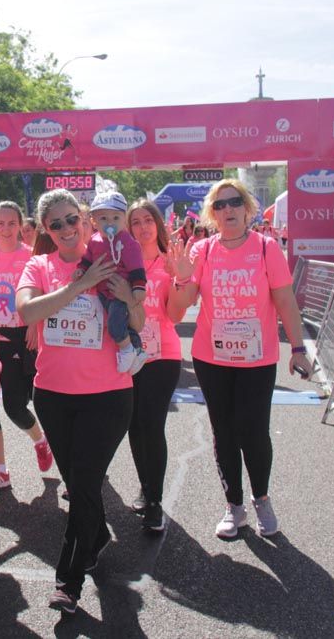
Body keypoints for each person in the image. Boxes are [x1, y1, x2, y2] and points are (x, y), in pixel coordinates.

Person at [16, 189, 144, 614]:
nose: (68, 229)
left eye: (73, 219)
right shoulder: (39, 265)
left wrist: (126, 295)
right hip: (53, 396)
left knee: (85, 482)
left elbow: (141, 319)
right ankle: (97, 537)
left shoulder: (111, 254)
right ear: (45, 231)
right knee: (80, 485)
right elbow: (28, 312)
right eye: (57, 224)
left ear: (86, 218)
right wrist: (82, 285)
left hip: (108, 396)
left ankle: (67, 582)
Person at [169, 179, 312, 539]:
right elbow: (180, 308)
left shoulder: (266, 249)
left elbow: (285, 302)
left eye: (234, 203)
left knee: (253, 431)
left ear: (247, 208)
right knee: (224, 432)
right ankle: (234, 506)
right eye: (220, 205)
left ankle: (261, 498)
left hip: (256, 360)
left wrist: (298, 349)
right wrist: (181, 279)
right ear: (212, 214)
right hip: (211, 359)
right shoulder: (201, 250)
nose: (228, 210)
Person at [0, 201, 54, 494]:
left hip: (30, 336)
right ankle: (17, 459)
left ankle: (51, 446)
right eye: (0, 223)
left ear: (21, 225)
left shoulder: (31, 255)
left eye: (11, 223)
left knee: (35, 403)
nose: (6, 229)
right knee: (4, 407)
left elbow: (43, 292)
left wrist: (34, 322)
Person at [125, 199, 189, 532]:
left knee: (152, 425)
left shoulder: (170, 262)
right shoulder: (122, 262)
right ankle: (145, 486)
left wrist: (179, 279)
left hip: (162, 356)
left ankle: (155, 501)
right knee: (134, 426)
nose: (142, 227)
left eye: (148, 220)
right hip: (127, 356)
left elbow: (176, 315)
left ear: (158, 224)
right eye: (135, 222)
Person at [79, 191, 148, 374]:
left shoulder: (127, 242)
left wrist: (138, 287)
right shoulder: (94, 241)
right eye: (103, 218)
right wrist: (81, 269)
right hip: (103, 292)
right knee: (119, 321)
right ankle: (138, 349)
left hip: (119, 292)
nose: (110, 223)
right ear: (94, 221)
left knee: (115, 326)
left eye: (115, 218)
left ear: (124, 220)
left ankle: (126, 350)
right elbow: (87, 259)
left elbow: (137, 267)